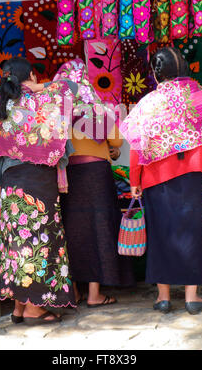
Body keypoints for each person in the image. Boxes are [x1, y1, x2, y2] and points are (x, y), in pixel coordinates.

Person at [120, 47, 202, 315]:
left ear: (157, 75)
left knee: (161, 233)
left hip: (157, 177)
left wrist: (135, 179)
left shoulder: (149, 103)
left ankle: (163, 297)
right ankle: (192, 297)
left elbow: (137, 145)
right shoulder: (198, 95)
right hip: (191, 174)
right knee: (192, 232)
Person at [0, 57, 79, 325]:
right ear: (32, 76)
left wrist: (1, 187)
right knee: (39, 243)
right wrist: (39, 88)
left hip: (11, 183)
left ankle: (18, 308)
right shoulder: (43, 101)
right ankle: (35, 308)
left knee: (17, 245)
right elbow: (73, 88)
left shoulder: (1, 106)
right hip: (38, 180)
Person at [53, 59, 135, 307]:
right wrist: (107, 146)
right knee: (98, 229)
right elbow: (118, 141)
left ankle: (74, 291)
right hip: (97, 175)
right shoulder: (94, 107)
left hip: (67, 177)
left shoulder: (57, 109)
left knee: (72, 231)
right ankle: (94, 294)